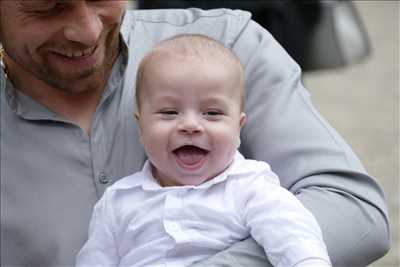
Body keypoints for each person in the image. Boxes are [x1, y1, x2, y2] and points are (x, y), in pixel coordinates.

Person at [0, 1, 389, 266]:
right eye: (47, 7)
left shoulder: (228, 47)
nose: (86, 30)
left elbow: (355, 211)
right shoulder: (118, 205)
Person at [75, 34, 332, 267]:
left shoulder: (250, 186)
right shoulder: (119, 201)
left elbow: (291, 233)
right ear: (141, 127)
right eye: (169, 112)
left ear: (238, 127)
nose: (190, 125)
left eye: (212, 113)